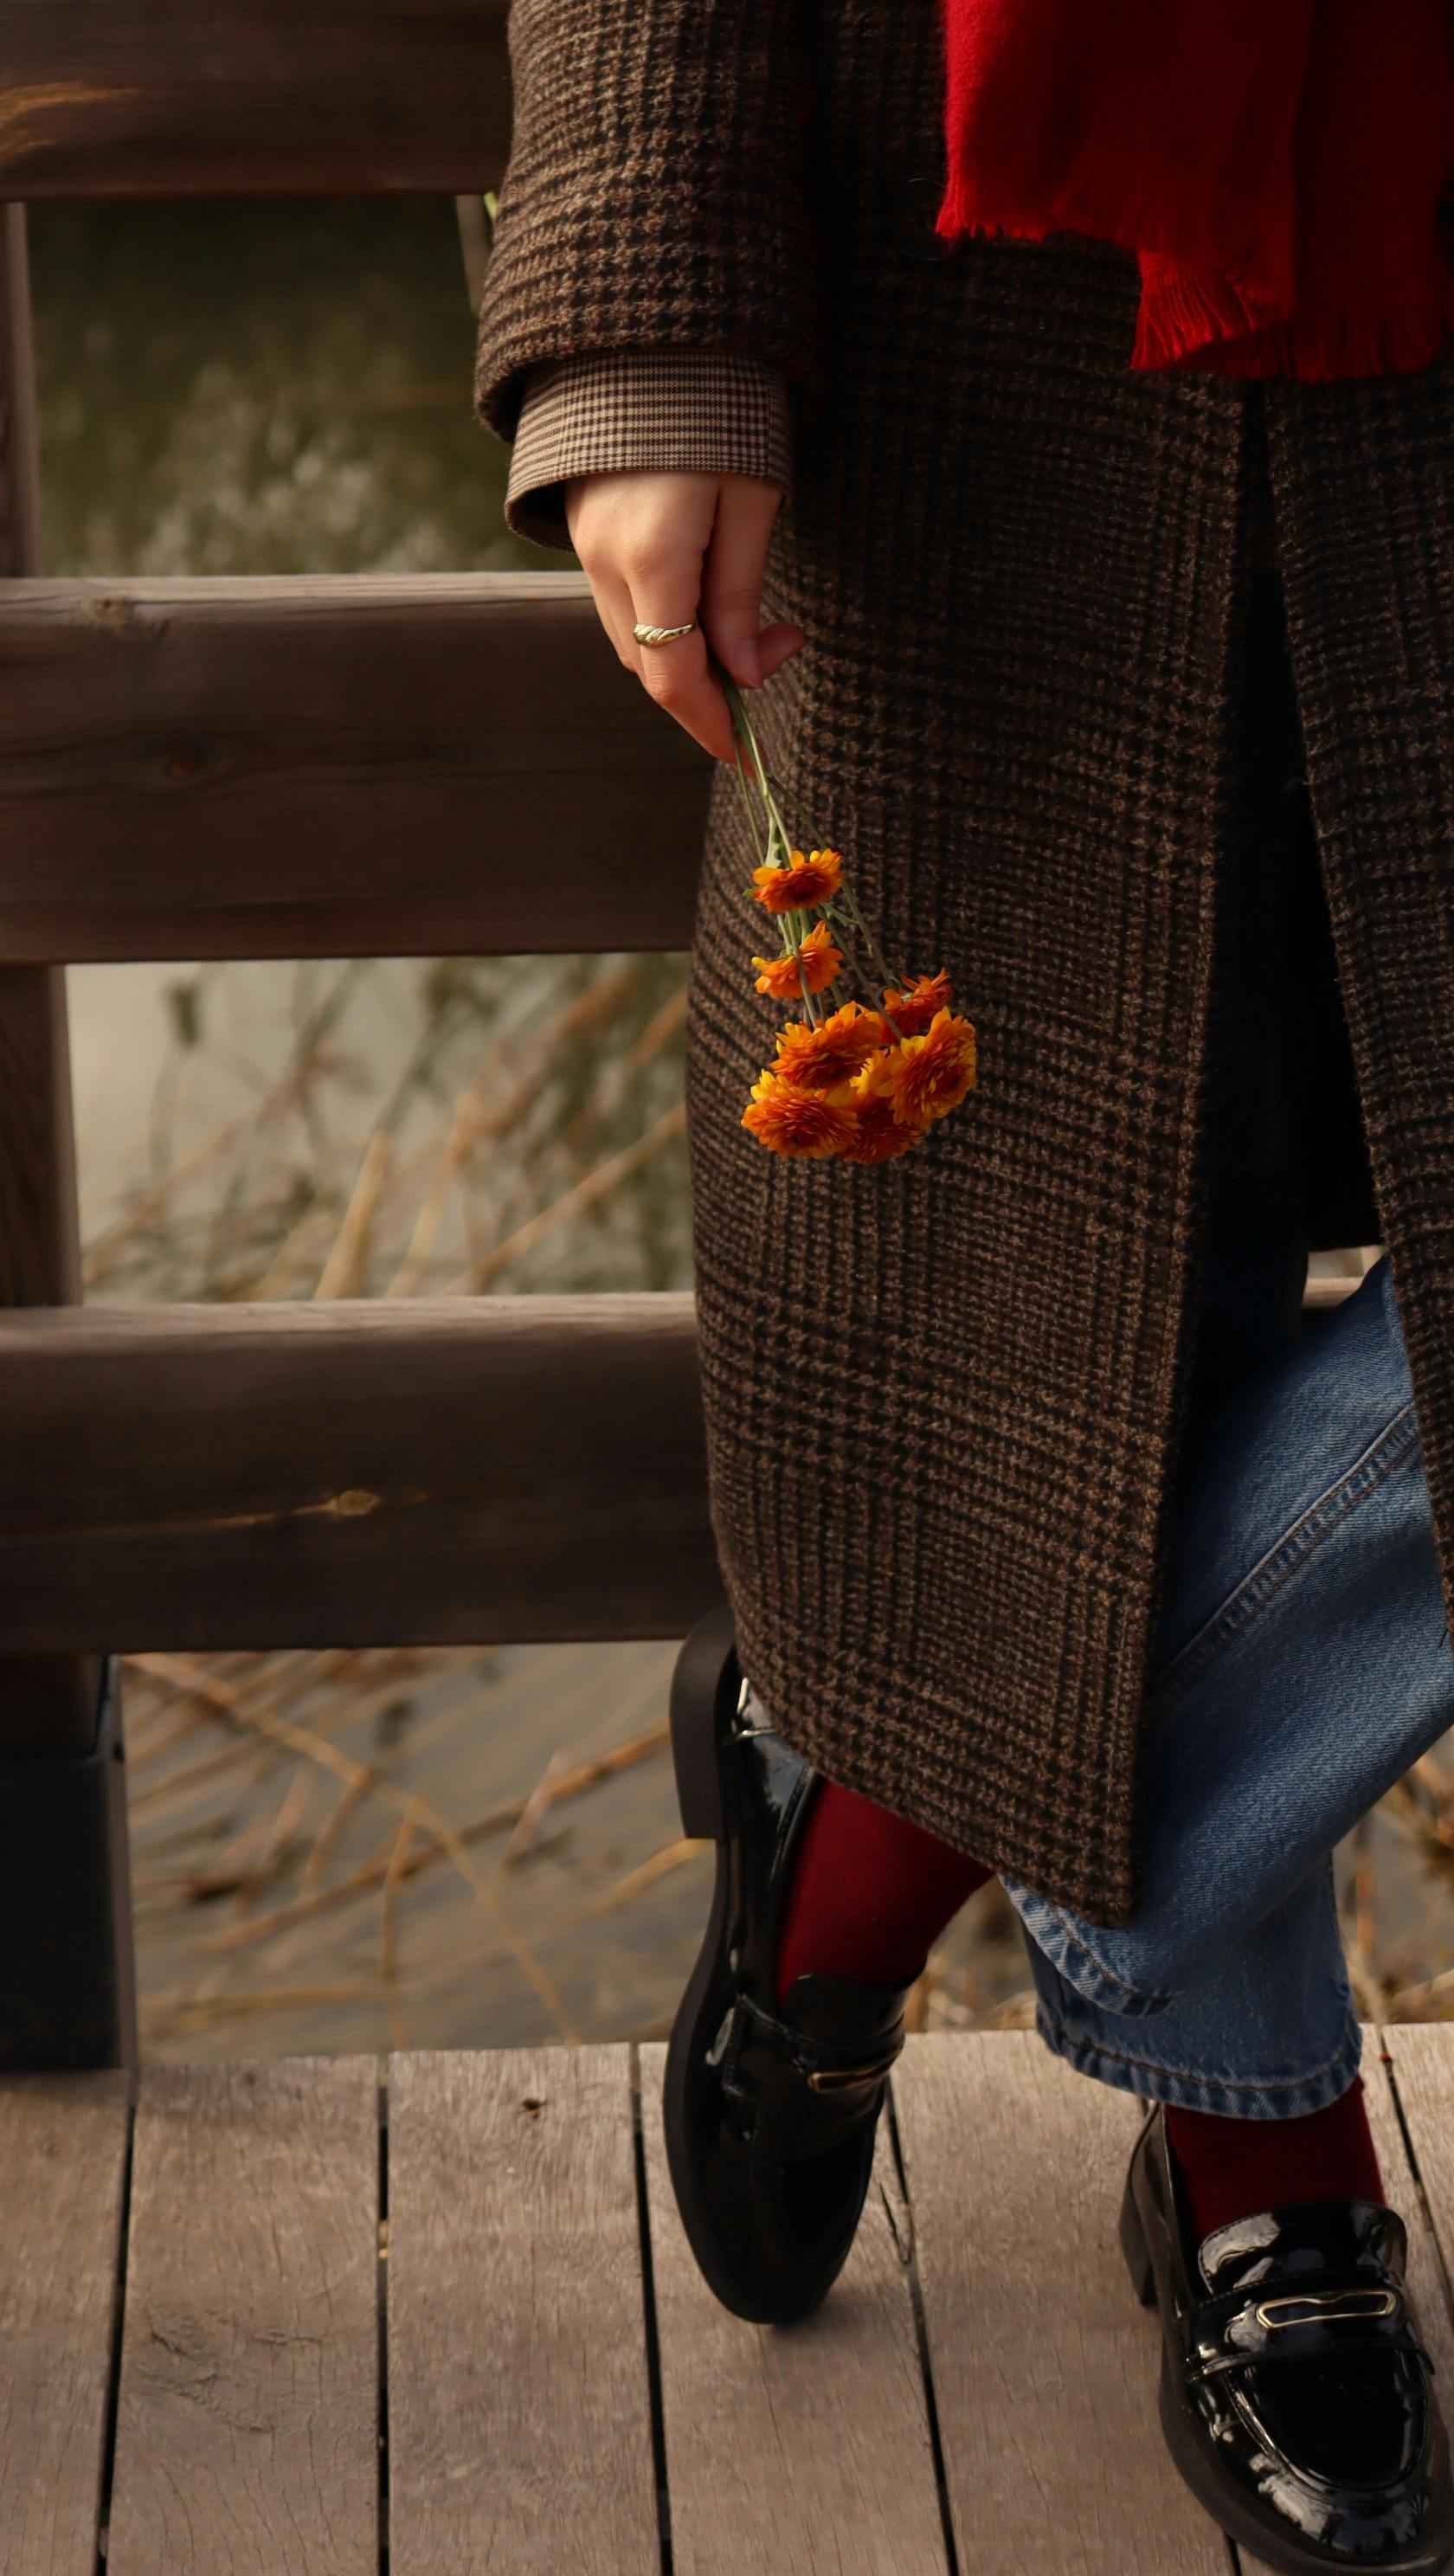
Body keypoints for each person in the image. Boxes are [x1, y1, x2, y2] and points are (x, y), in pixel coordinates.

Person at [474, 5, 1454, 2566]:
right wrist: (656, 314)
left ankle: (880, 1821)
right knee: (1099, 1225)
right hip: (989, 302)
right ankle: (1271, 2159)